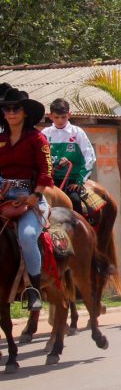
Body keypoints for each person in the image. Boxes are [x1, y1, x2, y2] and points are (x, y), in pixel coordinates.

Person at [0, 85, 52, 310]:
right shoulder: (0, 138)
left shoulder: (38, 139)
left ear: (25, 113)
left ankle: (34, 291)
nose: (11, 113)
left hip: (31, 199)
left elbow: (46, 171)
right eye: (7, 109)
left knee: (28, 236)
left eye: (16, 109)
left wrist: (35, 195)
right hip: (2, 197)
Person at [42, 98, 96, 216]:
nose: (60, 120)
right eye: (56, 117)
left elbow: (90, 157)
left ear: (69, 115)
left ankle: (83, 230)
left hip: (73, 180)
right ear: (50, 116)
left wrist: (79, 181)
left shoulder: (77, 133)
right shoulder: (45, 134)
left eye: (63, 117)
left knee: (75, 200)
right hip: (50, 180)